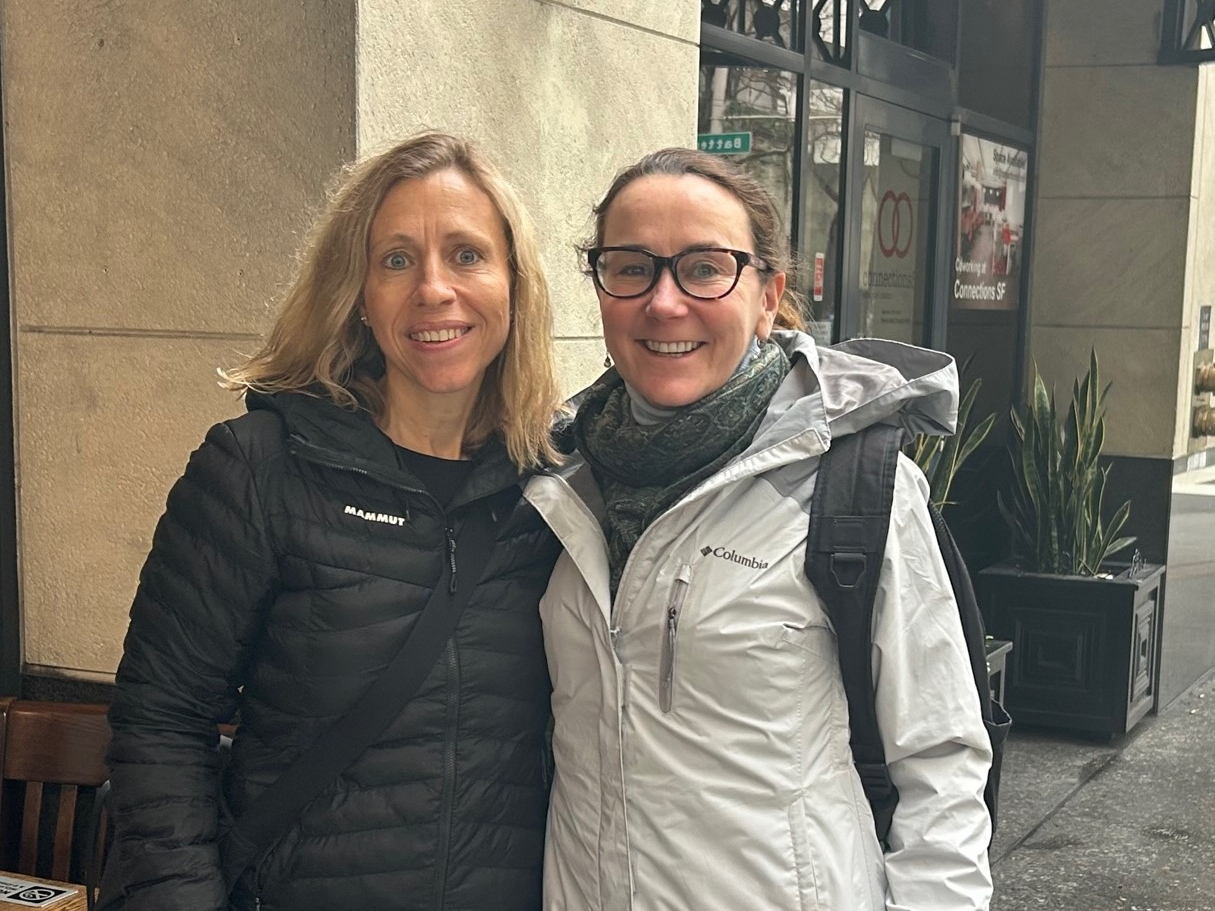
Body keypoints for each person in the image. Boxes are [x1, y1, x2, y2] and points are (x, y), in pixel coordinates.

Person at [98, 132, 564, 911]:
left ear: (514, 285)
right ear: (357, 294)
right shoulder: (259, 468)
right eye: (396, 260)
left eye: (466, 255)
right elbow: (161, 720)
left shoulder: (555, 489)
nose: (434, 288)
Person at [525, 148, 994, 910]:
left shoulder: (852, 487)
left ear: (767, 296)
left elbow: (940, 766)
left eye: (704, 268)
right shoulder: (556, 478)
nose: (664, 302)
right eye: (631, 267)